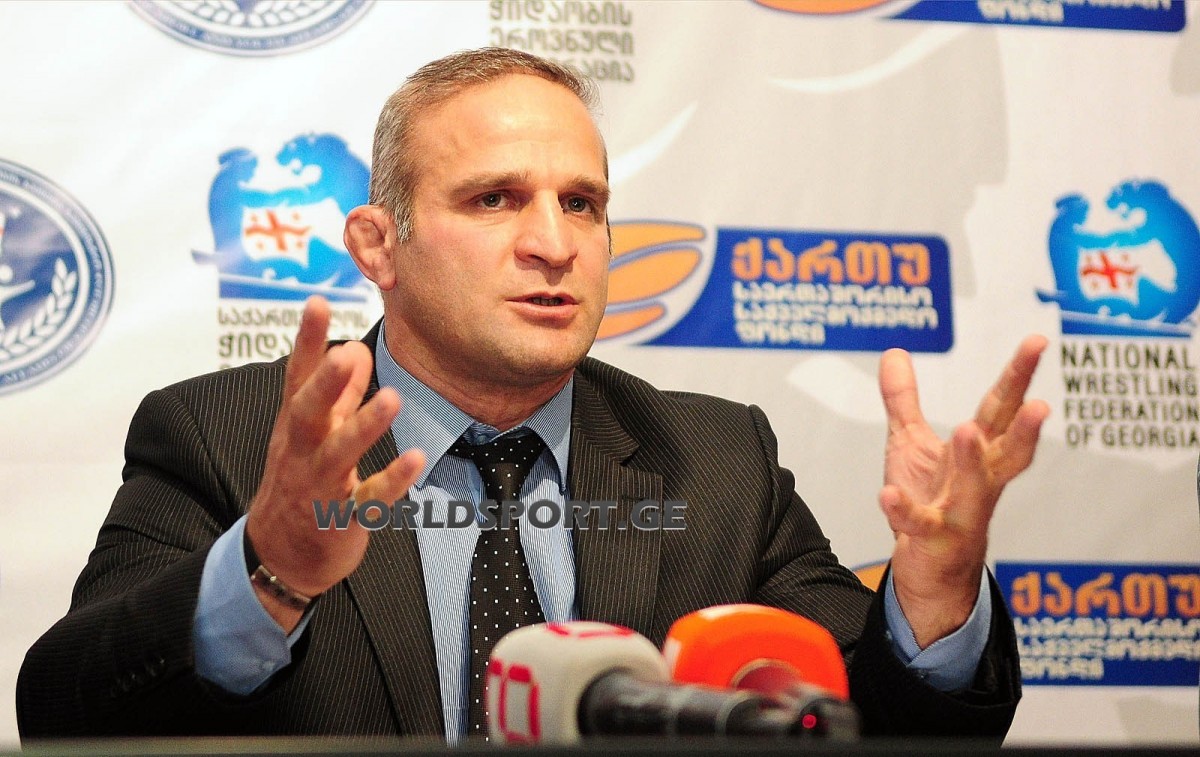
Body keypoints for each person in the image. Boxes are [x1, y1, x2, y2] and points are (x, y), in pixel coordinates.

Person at [17, 47, 1049, 742]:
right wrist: (270, 572)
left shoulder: (716, 460)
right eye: (495, 198)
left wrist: (933, 597)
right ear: (379, 245)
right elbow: (65, 710)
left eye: (583, 203)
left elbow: (884, 728)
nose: (554, 242)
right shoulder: (228, 436)